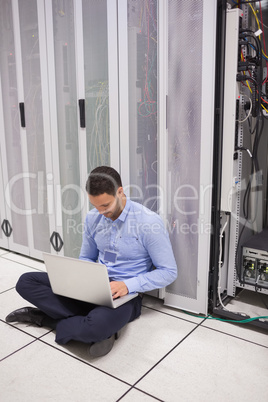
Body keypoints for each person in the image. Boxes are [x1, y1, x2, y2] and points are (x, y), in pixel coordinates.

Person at [6, 166, 177, 357]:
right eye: (95, 206)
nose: (100, 212)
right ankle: (96, 325)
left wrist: (127, 285)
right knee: (26, 281)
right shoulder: (93, 217)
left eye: (105, 206)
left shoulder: (148, 222)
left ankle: (43, 318)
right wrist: (80, 281)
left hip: (126, 295)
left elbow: (168, 271)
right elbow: (86, 257)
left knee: (96, 326)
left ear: (120, 192)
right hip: (94, 286)